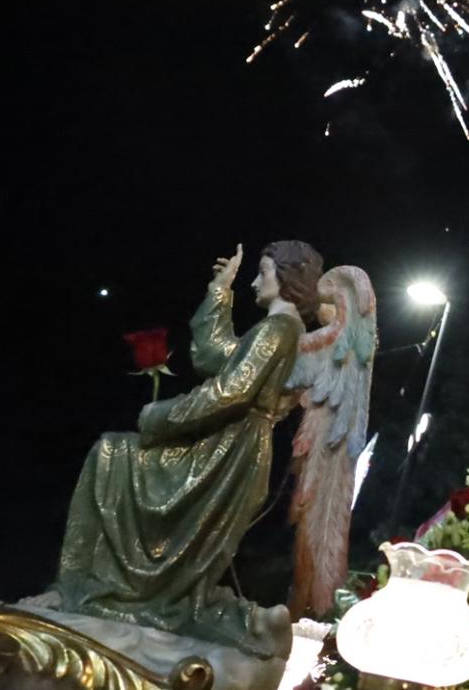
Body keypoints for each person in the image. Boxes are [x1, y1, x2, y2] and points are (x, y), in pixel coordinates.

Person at [52, 241, 323, 657]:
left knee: (110, 454)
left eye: (263, 272)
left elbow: (230, 391)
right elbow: (217, 358)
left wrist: (158, 415)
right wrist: (220, 289)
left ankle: (114, 586)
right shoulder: (278, 329)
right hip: (232, 445)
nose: (255, 281)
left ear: (287, 280)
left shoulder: (279, 329)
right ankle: (123, 585)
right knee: (113, 452)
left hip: (224, 450)